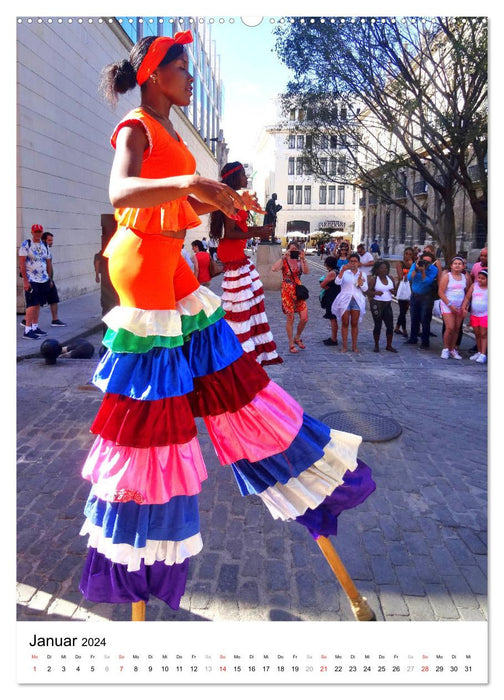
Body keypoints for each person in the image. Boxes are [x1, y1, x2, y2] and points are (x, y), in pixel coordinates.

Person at [79, 31, 375, 610]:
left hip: (175, 264)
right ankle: (137, 575)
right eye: (182, 68)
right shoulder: (136, 125)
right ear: (154, 76)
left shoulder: (171, 130)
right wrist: (192, 183)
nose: (190, 77)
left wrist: (215, 202)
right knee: (153, 425)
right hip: (141, 264)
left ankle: (304, 489)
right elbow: (121, 193)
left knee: (239, 388)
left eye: (189, 68)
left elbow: (179, 209)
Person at [209, 161, 282, 366]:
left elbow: (238, 227)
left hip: (237, 254)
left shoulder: (234, 198)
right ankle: (238, 353)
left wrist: (258, 230)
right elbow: (231, 232)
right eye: (242, 175)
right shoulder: (229, 199)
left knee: (250, 302)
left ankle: (247, 349)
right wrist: (258, 232)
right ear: (234, 177)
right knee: (239, 306)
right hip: (233, 254)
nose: (246, 178)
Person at [271, 242, 310, 353]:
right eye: (291, 249)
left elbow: (306, 272)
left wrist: (303, 259)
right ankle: (291, 343)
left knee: (304, 317)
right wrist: (284, 256)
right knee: (290, 317)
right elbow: (274, 268)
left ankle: (297, 337)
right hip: (287, 290)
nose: (293, 251)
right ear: (288, 249)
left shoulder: (299, 261)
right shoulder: (284, 260)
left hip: (298, 290)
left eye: (295, 249)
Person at [331, 252, 368, 353]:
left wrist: (361, 283)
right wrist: (342, 271)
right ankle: (344, 346)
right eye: (351, 261)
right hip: (345, 299)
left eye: (355, 261)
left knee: (354, 323)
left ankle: (354, 346)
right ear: (349, 262)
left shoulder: (362, 274)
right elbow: (337, 282)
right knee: (345, 322)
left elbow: (365, 288)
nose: (353, 263)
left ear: (358, 263)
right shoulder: (345, 272)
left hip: (356, 299)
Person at [18, 224, 51, 340]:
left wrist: (49, 278)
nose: (37, 234)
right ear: (32, 232)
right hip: (32, 279)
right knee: (31, 304)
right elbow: (22, 263)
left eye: (39, 232)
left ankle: (35, 327)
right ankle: (27, 330)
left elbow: (48, 262)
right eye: (35, 232)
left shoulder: (44, 245)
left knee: (38, 304)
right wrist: (26, 281)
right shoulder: (26, 244)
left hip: (43, 279)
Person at [406, 251, 439, 349]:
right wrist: (416, 269)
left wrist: (423, 271)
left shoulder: (433, 270)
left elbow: (426, 282)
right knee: (414, 317)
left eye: (428, 262)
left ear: (432, 262)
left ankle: (425, 341)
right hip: (415, 295)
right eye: (424, 261)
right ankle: (413, 338)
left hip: (426, 296)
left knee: (425, 319)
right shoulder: (415, 265)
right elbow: (409, 278)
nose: (425, 263)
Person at [438, 256, 468, 360]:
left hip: (460, 306)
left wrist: (465, 306)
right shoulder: (447, 276)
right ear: (451, 265)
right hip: (447, 305)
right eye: (455, 263)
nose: (457, 265)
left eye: (460, 264)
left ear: (463, 266)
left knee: (456, 328)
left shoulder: (465, 277)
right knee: (450, 327)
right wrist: (450, 305)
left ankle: (452, 349)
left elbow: (467, 293)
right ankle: (445, 349)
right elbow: (440, 292)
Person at [367, 260, 398, 353]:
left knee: (390, 326)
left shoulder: (390, 279)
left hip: (387, 304)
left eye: (385, 268)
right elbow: (367, 292)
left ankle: (389, 345)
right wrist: (375, 293)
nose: (384, 270)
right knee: (378, 325)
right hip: (377, 304)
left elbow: (395, 291)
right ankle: (376, 345)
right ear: (377, 270)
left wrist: (393, 292)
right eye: (381, 268)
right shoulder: (374, 280)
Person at [40, 231, 67, 327]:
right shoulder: (40, 249)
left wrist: (50, 279)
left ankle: (55, 320)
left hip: (48, 279)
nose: (51, 242)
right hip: (42, 280)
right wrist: (48, 279)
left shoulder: (47, 249)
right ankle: (27, 321)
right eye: (49, 240)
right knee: (37, 302)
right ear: (43, 240)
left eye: (52, 240)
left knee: (53, 299)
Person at [462, 270, 488, 364]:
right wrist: (464, 307)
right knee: (477, 334)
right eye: (479, 278)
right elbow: (467, 297)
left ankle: (483, 354)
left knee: (483, 334)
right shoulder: (474, 286)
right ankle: (479, 351)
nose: (480, 280)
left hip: (485, 314)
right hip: (474, 314)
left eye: (483, 279)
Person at [394, 246, 415, 338]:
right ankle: (404, 329)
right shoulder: (400, 264)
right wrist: (410, 268)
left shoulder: (414, 264)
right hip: (402, 289)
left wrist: (412, 266)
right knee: (403, 310)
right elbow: (400, 277)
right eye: (406, 254)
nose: (408, 256)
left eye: (410, 254)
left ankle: (397, 327)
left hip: (412, 289)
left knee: (405, 310)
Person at [319, 256, 339, 346]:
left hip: (331, 296)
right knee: (333, 318)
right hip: (336, 294)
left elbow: (323, 284)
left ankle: (334, 338)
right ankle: (333, 337)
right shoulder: (337, 271)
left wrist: (325, 285)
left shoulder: (332, 273)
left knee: (332, 318)